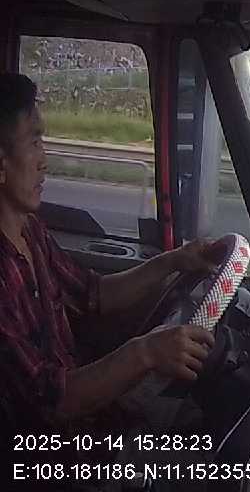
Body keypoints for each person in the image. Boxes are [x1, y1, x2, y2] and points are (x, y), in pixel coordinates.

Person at [0, 73, 224, 439]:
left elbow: (93, 293)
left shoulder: (31, 231)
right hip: (49, 453)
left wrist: (172, 261)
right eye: (34, 141)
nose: (44, 160)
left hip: (90, 422)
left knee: (200, 425)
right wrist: (145, 353)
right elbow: (50, 403)